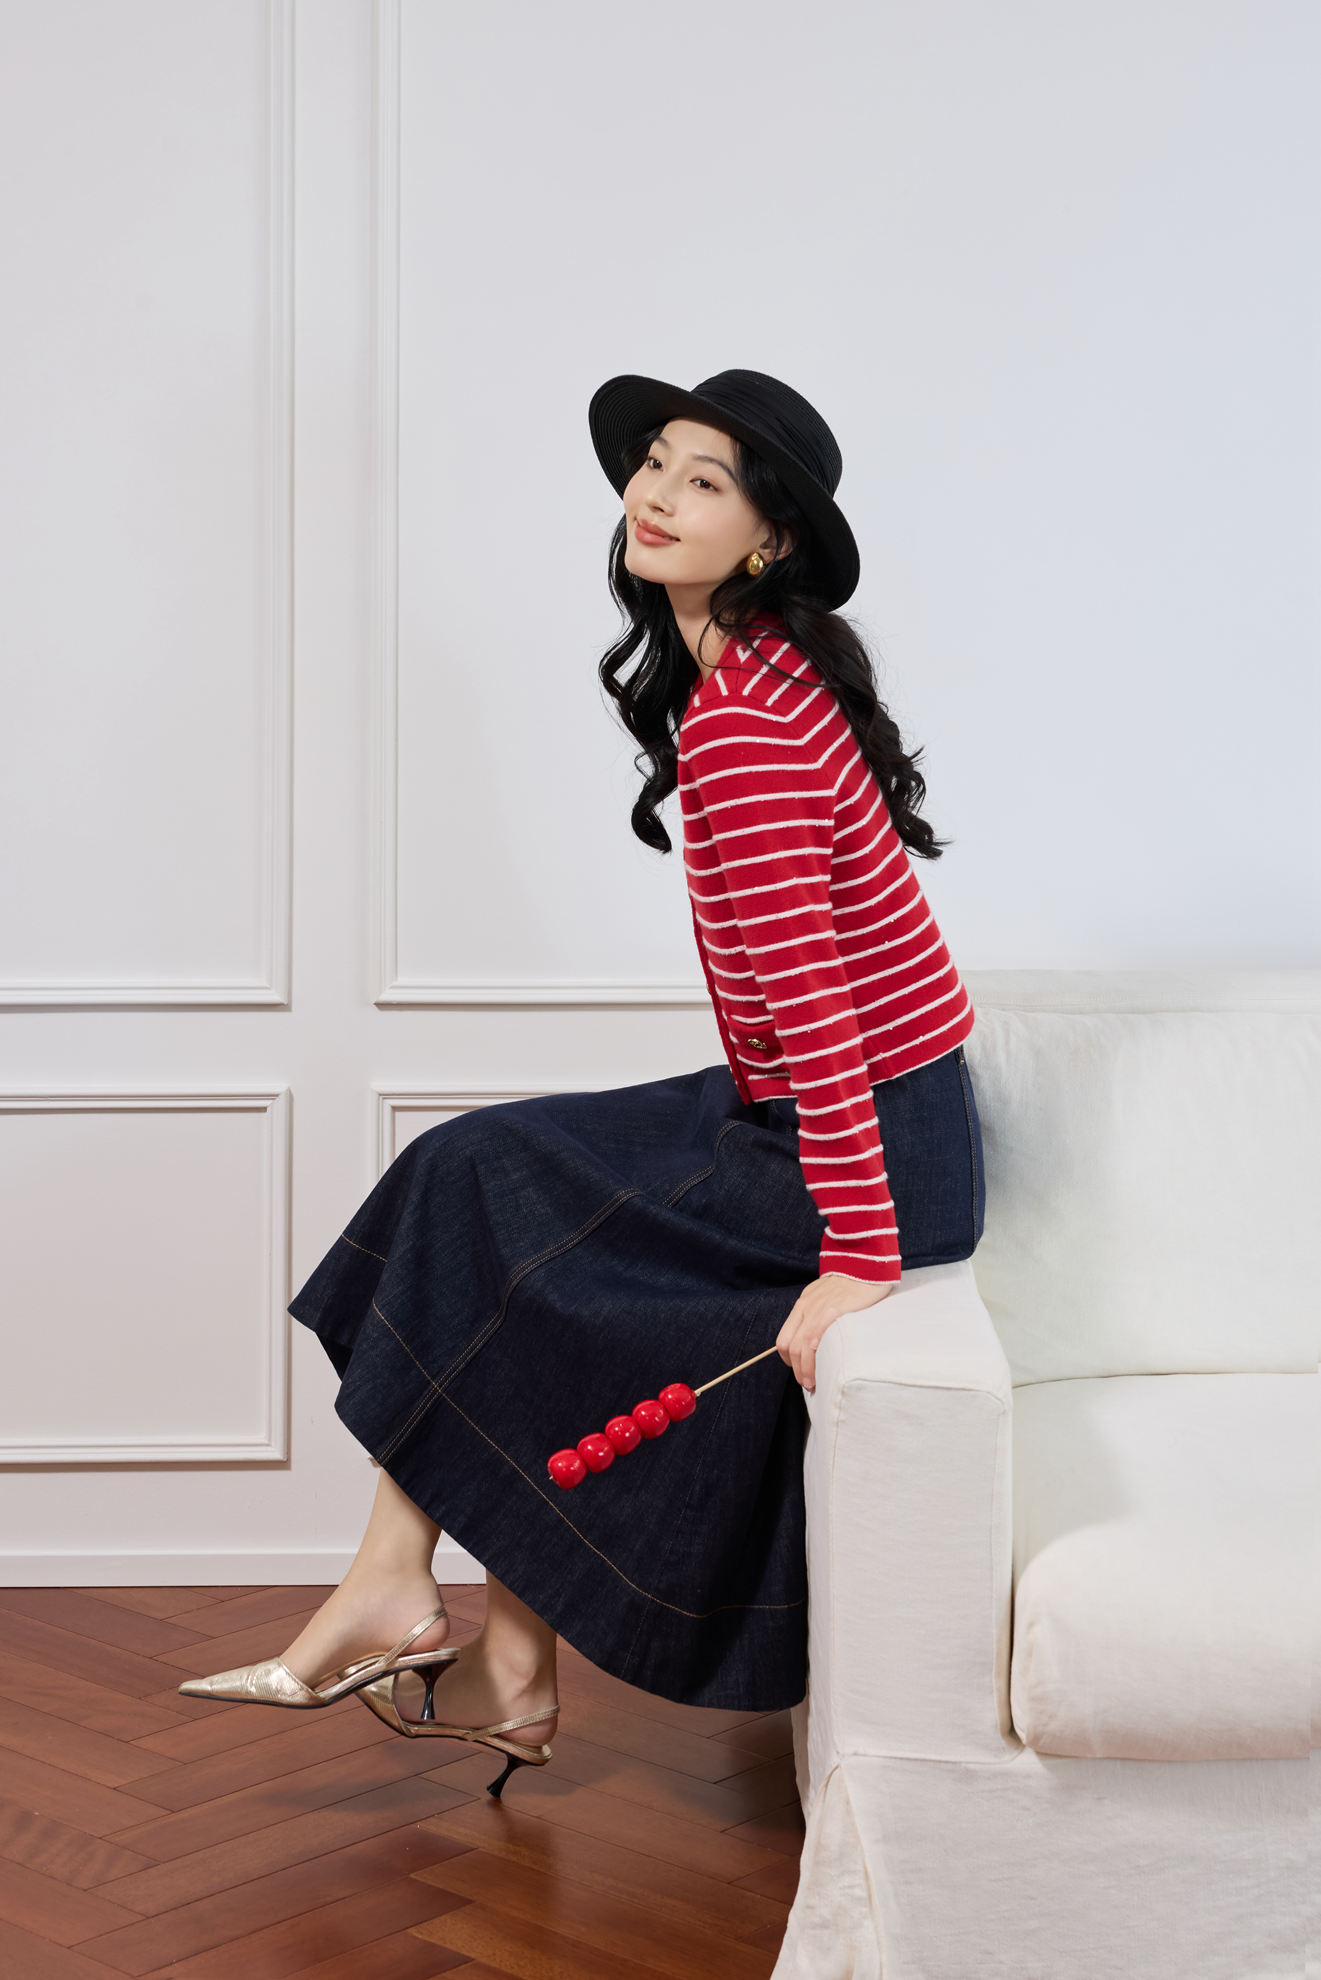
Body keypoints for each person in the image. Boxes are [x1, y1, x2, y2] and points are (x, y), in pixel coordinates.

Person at [174, 369, 985, 1800]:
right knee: (477, 1176)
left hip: (858, 1146)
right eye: (654, 464)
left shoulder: (745, 723)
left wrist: (860, 1253)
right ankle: (466, 1629)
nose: (655, 497)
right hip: (833, 1115)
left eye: (704, 483)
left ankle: (422, 1604)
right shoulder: (752, 675)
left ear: (770, 538)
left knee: (495, 1200)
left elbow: (819, 1006)